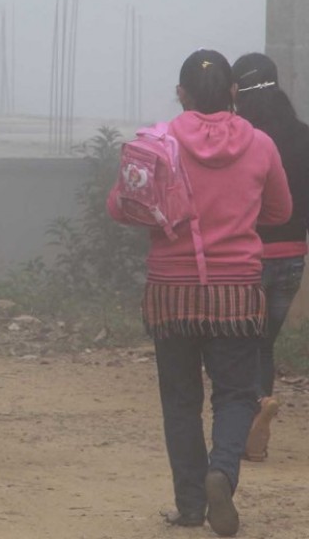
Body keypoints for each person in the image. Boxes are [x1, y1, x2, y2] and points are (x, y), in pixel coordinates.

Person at [107, 49, 291, 537]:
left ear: (181, 95)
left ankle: (190, 505)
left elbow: (120, 207)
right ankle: (222, 473)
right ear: (233, 93)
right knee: (235, 395)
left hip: (170, 292)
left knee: (180, 400)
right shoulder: (261, 145)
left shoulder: (158, 143)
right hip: (235, 291)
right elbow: (280, 212)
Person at [232, 52, 309, 461]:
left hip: (247, 256)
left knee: (241, 345)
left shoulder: (242, 139)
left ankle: (253, 410)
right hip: (293, 258)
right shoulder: (303, 136)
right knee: (263, 343)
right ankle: (258, 416)